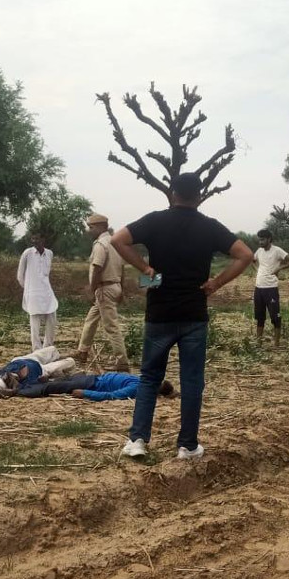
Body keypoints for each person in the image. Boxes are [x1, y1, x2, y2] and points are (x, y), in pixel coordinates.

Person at [111, 172, 253, 460]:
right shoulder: (209, 227)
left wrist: (145, 268)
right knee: (191, 381)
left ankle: (138, 440)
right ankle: (187, 445)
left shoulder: (155, 221)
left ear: (172, 193)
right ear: (200, 196)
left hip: (159, 313)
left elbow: (118, 239)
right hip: (193, 314)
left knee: (149, 378)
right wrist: (216, 283)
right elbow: (245, 255)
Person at [75, 214, 129, 371]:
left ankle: (122, 362)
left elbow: (97, 268)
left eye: (91, 227)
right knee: (91, 319)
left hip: (104, 289)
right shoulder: (115, 243)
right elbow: (122, 269)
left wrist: (92, 290)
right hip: (114, 286)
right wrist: (121, 290)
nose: (89, 230)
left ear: (100, 227)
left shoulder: (100, 244)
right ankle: (82, 351)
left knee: (111, 327)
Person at [251, 229, 289, 348]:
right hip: (259, 287)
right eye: (259, 240)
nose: (260, 242)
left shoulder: (277, 251)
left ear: (269, 239)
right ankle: (258, 343)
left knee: (275, 316)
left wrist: (279, 268)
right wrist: (257, 270)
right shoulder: (259, 251)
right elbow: (252, 260)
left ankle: (276, 344)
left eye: (262, 239)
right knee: (260, 317)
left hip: (271, 288)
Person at [6, 372, 176, 401]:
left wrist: (86, 393)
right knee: (54, 381)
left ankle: (16, 392)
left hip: (92, 385)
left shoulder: (137, 388)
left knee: (51, 388)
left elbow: (112, 396)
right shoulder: (142, 381)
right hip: (93, 378)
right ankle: (23, 384)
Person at [18, 233, 59, 350]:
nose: (34, 241)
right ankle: (36, 348)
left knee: (52, 316)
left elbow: (46, 274)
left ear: (43, 239)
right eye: (32, 238)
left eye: (37, 238)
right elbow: (20, 275)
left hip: (46, 291)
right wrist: (28, 289)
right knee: (35, 321)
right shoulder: (27, 253)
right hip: (33, 292)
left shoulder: (49, 253)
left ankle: (48, 346)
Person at [0, 346, 77, 392]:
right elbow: (35, 388)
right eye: (7, 380)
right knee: (70, 362)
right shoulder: (25, 385)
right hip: (41, 369)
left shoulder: (5, 370)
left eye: (4, 377)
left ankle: (59, 356)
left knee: (52, 349)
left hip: (27, 359)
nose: (7, 377)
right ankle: (67, 357)